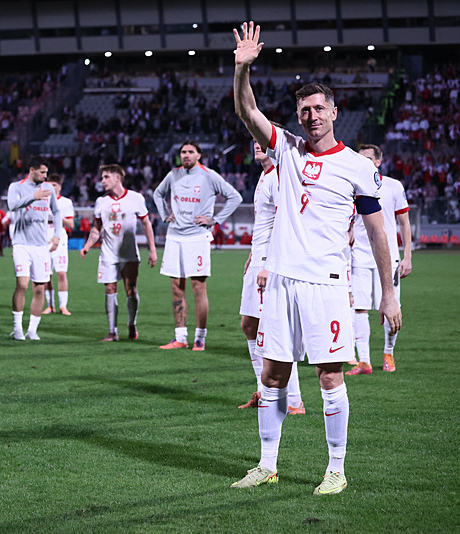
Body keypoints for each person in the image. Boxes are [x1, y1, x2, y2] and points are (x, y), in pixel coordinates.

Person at [230, 21, 401, 495]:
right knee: (272, 373)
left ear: (334, 112)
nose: (310, 116)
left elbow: (377, 231)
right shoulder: (283, 148)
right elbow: (247, 111)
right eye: (304, 110)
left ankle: (336, 469)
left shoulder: (358, 167)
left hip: (326, 283)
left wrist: (388, 293)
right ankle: (267, 464)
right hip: (281, 281)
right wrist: (242, 69)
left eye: (319, 108)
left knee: (329, 375)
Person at [153, 140, 242, 350]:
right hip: (174, 237)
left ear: (199, 155)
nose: (186, 155)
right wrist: (165, 215)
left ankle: (200, 338)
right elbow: (158, 193)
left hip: (197, 238)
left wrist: (215, 219)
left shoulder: (209, 176)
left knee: (198, 287)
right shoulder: (173, 174)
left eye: (190, 152)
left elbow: (234, 197)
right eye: (183, 152)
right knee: (176, 288)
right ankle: (180, 337)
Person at [238, 141, 304, 414]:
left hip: (272, 263)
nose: (256, 145)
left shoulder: (279, 175)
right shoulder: (265, 175)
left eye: (261, 141)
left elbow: (285, 222)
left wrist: (270, 264)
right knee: (249, 325)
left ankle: (294, 400)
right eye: (253, 141)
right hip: (260, 259)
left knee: (274, 331)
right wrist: (254, 256)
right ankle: (263, 391)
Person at [347, 144, 412, 375]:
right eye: (360, 158)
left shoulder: (393, 186)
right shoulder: (352, 186)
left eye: (367, 158)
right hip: (360, 257)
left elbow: (404, 222)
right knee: (360, 309)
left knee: (392, 306)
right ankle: (364, 361)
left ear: (377, 161)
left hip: (388, 257)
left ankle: (388, 353)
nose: (363, 162)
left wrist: (408, 256)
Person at [80, 164, 157, 341]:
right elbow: (97, 228)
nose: (102, 181)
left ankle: (132, 322)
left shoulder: (136, 198)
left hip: (128, 252)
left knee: (131, 290)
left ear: (117, 178)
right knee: (109, 288)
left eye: (106, 177)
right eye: (102, 177)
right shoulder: (101, 202)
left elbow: (146, 224)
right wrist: (88, 244)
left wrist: (152, 249)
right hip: (108, 253)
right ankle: (112, 331)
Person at [6, 157, 62, 341]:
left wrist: (57, 234)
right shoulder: (17, 186)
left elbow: (57, 211)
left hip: (41, 246)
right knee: (22, 284)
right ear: (32, 170)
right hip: (22, 244)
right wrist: (33, 197)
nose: (46, 176)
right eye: (42, 172)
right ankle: (17, 328)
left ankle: (32, 329)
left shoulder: (49, 189)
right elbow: (12, 206)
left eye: (47, 173)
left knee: (39, 289)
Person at [42, 174, 75, 315]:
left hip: (59, 237)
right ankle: (50, 305)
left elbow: (71, 224)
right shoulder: (42, 201)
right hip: (43, 238)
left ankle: (63, 305)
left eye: (54, 185)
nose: (51, 187)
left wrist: (58, 216)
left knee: (61, 273)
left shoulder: (66, 202)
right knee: (46, 274)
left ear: (60, 187)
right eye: (49, 184)